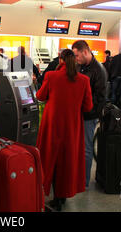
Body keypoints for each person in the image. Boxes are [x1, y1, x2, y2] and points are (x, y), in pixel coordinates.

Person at [36, 49, 93, 212]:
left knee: (49, 158)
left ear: (60, 60)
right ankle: (61, 197)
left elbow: (40, 96)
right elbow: (88, 106)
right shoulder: (83, 80)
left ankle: (50, 193)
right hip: (72, 127)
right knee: (67, 161)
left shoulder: (51, 76)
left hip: (52, 124)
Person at [72, 40, 107, 187]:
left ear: (85, 52)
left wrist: (83, 106)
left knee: (86, 149)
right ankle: (76, 177)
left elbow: (100, 98)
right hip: (77, 113)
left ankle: (84, 181)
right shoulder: (79, 66)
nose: (76, 58)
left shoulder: (99, 70)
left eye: (77, 55)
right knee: (76, 148)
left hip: (88, 116)